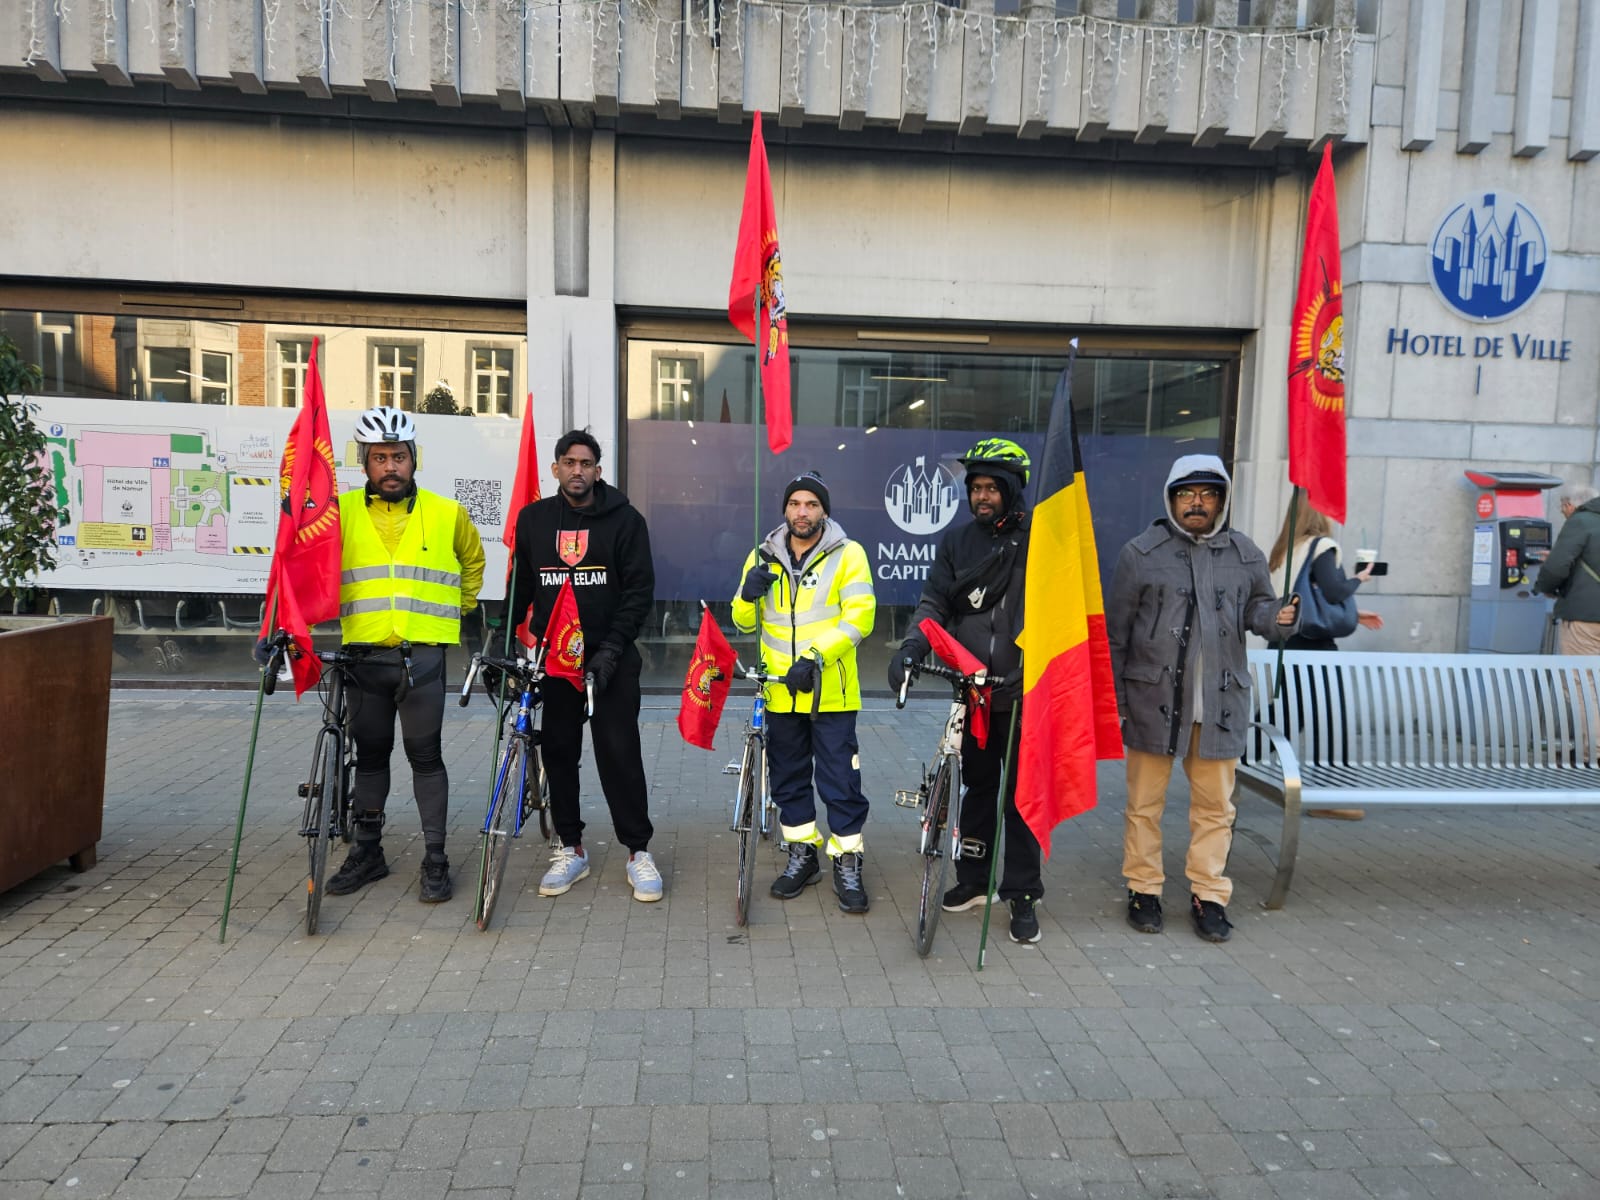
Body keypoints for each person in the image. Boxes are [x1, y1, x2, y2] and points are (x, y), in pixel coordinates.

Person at [1106, 455, 1298, 943]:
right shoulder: (1140, 553)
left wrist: (1278, 618)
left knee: (1216, 808)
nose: (1196, 502)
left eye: (1207, 494)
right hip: (1152, 701)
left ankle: (1209, 895)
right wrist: (1117, 702)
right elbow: (1116, 633)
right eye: (1186, 494)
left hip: (1220, 705)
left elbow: (1259, 609)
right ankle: (1143, 889)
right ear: (1171, 497)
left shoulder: (1245, 553)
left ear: (1221, 500)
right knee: (1143, 805)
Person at [325, 406, 486, 904]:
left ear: (414, 459)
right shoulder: (339, 511)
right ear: (364, 463)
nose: (390, 467)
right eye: (379, 458)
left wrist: (452, 614)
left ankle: (435, 858)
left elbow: (473, 561)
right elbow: (306, 567)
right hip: (364, 656)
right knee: (371, 757)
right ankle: (368, 852)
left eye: (398, 456)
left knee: (426, 757)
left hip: (423, 659)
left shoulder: (447, 512)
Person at [889, 437, 1043, 945]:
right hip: (974, 691)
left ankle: (1022, 893)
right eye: (975, 488)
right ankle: (974, 880)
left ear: (1011, 490)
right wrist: (912, 646)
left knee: (1021, 798)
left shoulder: (1041, 537)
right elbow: (935, 602)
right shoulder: (957, 543)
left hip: (1024, 692)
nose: (981, 497)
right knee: (977, 790)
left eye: (991, 488)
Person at [505, 430, 662, 902]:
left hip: (610, 660)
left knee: (619, 753)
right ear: (555, 469)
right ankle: (569, 847)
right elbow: (523, 589)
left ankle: (638, 851)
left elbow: (638, 593)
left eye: (586, 463)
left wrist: (612, 650)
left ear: (598, 470)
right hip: (557, 660)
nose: (577, 470)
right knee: (558, 753)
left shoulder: (626, 521)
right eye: (569, 462)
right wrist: (499, 635)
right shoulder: (533, 520)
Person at [732, 471, 877, 913]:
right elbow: (743, 622)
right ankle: (802, 856)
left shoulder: (848, 554)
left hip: (829, 691)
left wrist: (814, 657)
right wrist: (746, 594)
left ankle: (847, 860)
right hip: (780, 694)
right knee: (790, 782)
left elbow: (860, 618)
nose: (802, 511)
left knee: (840, 783)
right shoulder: (762, 556)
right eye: (795, 503)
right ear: (785, 510)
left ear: (824, 511)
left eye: (811, 504)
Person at [1265, 501, 1383, 649]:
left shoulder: (1284, 549)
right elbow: (1334, 593)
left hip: (1280, 642)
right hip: (1310, 646)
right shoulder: (1321, 546)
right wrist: (1360, 578)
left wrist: (1355, 615)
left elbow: (1299, 599)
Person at [1534, 484, 1600, 654]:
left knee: (1579, 678)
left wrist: (1546, 588)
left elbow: (1556, 567)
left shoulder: (1580, 521)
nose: (1563, 513)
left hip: (1585, 617)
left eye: (1562, 508)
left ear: (1568, 505)